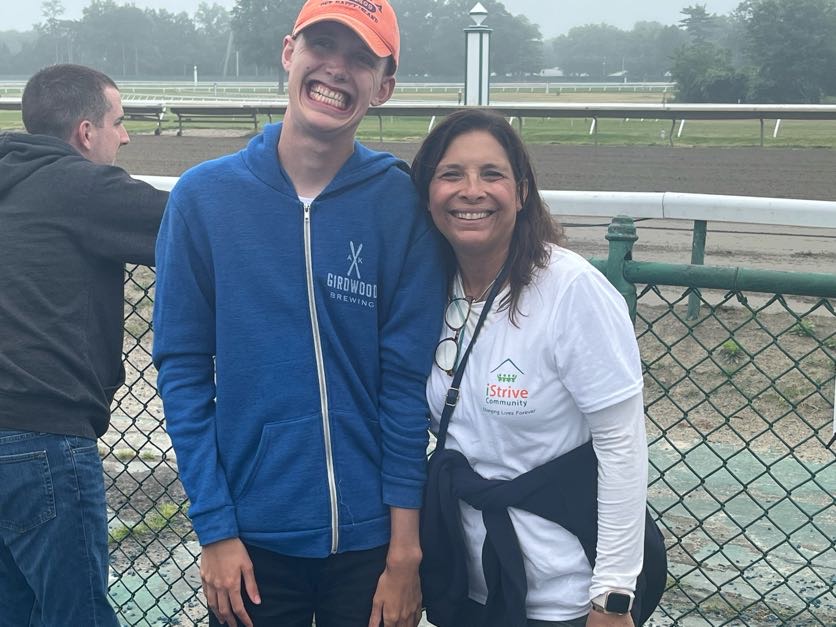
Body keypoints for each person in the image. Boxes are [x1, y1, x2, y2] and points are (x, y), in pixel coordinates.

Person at [151, 1, 445, 626]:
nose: (336, 70)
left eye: (360, 58)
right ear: (290, 53)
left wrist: (404, 554)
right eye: (322, 46)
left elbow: (402, 387)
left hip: (371, 546)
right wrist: (215, 529)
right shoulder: (203, 198)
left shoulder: (401, 204)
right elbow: (181, 372)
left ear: (384, 85)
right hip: (250, 543)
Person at [412, 109, 654, 627]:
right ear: (426, 192)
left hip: (563, 593)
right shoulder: (426, 287)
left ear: (522, 193)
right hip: (468, 583)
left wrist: (612, 597)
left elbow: (622, 445)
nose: (471, 190)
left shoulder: (571, 291)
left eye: (492, 174)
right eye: (451, 174)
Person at [0, 64, 168, 626]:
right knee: (80, 615)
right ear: (85, 133)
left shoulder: (12, 177)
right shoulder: (82, 185)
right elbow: (197, 226)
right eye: (118, 122)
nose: (124, 136)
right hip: (42, 438)